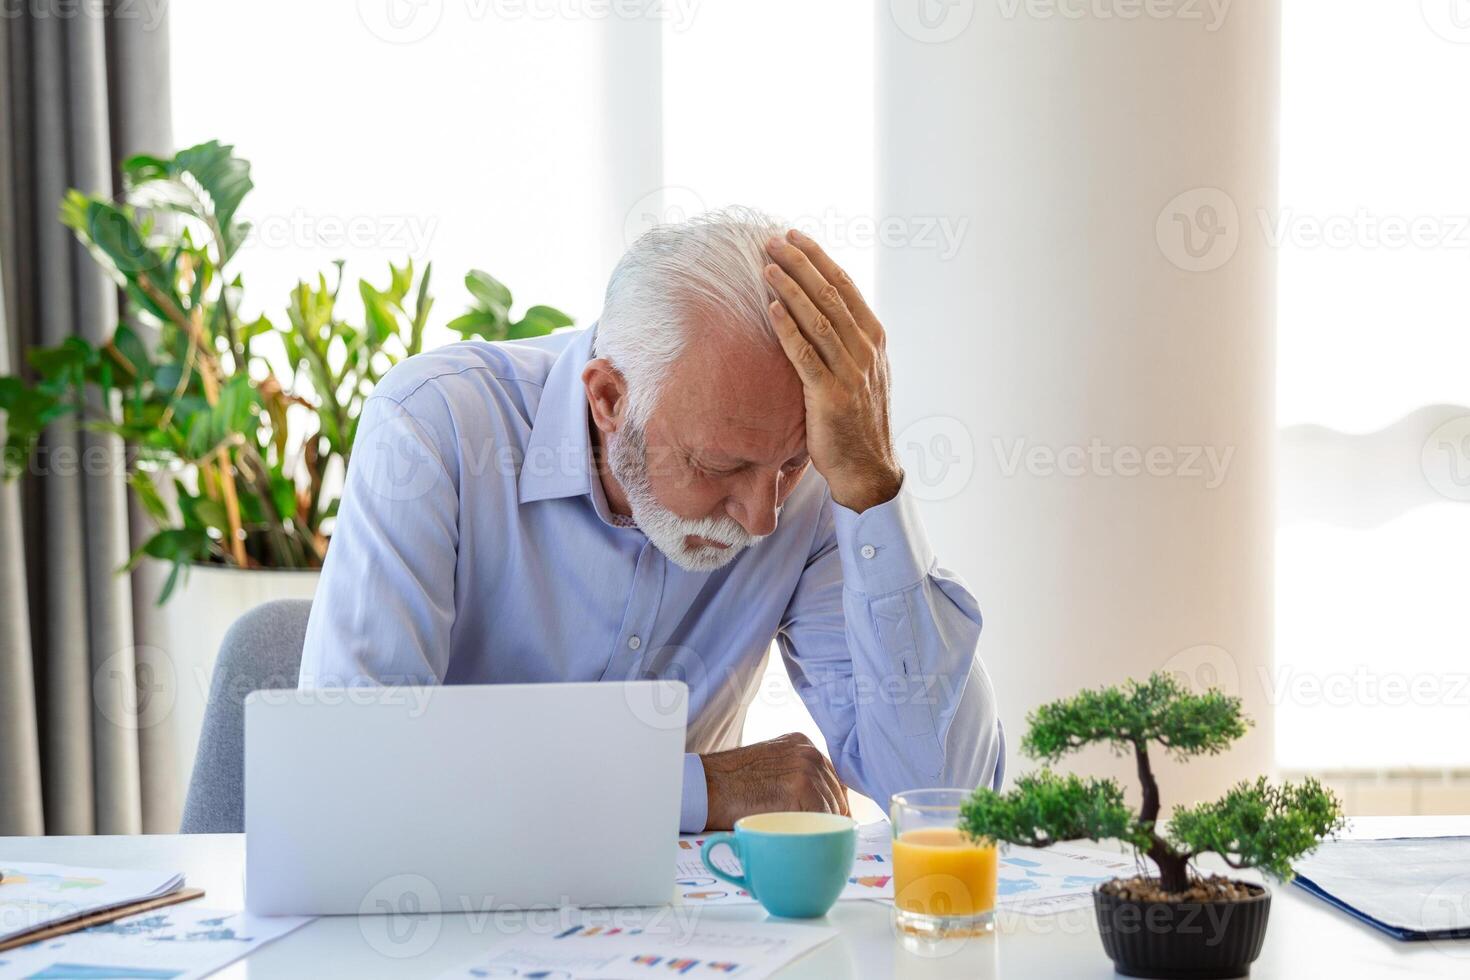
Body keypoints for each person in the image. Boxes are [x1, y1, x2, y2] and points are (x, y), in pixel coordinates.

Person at [299, 207, 1003, 831]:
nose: (763, 518)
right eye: (719, 468)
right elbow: (355, 774)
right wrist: (699, 789)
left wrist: (871, 484)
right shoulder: (436, 429)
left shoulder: (810, 476)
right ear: (609, 401)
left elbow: (944, 795)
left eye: (789, 466)